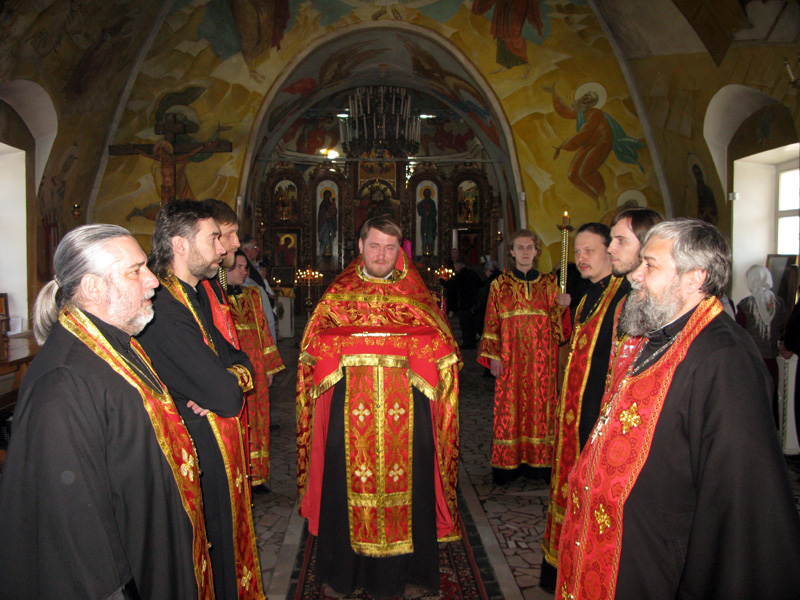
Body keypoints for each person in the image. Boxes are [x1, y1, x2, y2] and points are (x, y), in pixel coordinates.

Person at [557, 219, 800, 599]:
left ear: (693, 278)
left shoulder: (724, 358)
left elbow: (739, 500)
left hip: (660, 565)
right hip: (623, 549)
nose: (636, 275)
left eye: (650, 265)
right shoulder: (664, 334)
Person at [0, 224, 213, 599]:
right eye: (135, 271)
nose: (153, 281)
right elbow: (73, 531)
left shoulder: (117, 345)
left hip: (156, 542)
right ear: (92, 288)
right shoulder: (63, 382)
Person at [296, 216, 461, 599]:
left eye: (390, 247)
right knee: (342, 483)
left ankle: (408, 575)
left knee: (414, 484)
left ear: (399, 250)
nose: (382, 255)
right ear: (360, 247)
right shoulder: (338, 296)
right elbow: (312, 351)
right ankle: (343, 574)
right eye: (374, 246)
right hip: (347, 415)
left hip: (410, 415)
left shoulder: (416, 297)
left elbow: (444, 350)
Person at [137, 200, 264, 600]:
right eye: (212, 239)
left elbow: (239, 360)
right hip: (188, 456)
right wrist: (226, 381)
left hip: (209, 447)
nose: (222, 249)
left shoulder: (191, 294)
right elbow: (226, 394)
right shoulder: (163, 306)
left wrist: (228, 378)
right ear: (180, 244)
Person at [540, 223, 628, 591]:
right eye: (577, 251)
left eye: (589, 250)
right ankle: (562, 567)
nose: (580, 258)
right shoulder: (588, 294)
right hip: (573, 411)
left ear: (611, 252)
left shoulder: (624, 297)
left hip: (596, 413)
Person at [478, 228, 571, 484]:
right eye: (520, 247)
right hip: (510, 358)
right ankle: (508, 466)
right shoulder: (500, 285)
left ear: (537, 251)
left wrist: (564, 308)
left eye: (529, 247)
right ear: (511, 252)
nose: (525, 252)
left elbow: (559, 331)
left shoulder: (550, 284)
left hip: (543, 361)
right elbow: (491, 322)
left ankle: (540, 465)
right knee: (510, 408)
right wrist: (494, 356)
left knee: (541, 408)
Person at [226, 250, 284, 491]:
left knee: (258, 420)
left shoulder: (253, 294)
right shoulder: (216, 299)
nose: (244, 271)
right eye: (238, 267)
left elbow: (263, 329)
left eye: (245, 267)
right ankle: (239, 477)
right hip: (233, 369)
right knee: (239, 420)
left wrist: (269, 368)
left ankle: (257, 476)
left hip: (257, 367)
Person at [737, 264, 787, 425]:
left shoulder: (746, 305)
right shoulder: (778, 303)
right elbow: (782, 327)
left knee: (753, 400)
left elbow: (739, 332)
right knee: (770, 399)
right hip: (772, 361)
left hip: (752, 361)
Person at [241, 234, 279, 343]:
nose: (258, 249)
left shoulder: (252, 264)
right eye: (255, 247)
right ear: (245, 250)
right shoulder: (245, 265)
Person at [447, 258, 484, 348]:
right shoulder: (473, 274)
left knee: (465, 324)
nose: (455, 269)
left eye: (456, 266)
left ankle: (467, 342)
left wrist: (442, 281)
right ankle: (472, 341)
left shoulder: (460, 276)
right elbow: (481, 285)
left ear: (458, 266)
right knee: (471, 324)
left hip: (464, 304)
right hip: (473, 303)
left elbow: (451, 286)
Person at [416, 187, 437, 254]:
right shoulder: (421, 203)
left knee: (431, 237)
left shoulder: (432, 202)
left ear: (430, 194)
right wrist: (423, 209)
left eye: (428, 193)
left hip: (431, 222)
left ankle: (431, 251)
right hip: (424, 222)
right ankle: (424, 250)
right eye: (426, 193)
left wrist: (429, 210)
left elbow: (434, 213)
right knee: (424, 236)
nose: (427, 194)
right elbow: (420, 213)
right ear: (424, 194)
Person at [317, 189, 337, 255]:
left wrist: (333, 211)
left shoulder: (331, 204)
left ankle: (329, 252)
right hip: (324, 224)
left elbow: (334, 213)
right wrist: (328, 215)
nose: (328, 197)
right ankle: (323, 252)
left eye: (329, 195)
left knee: (330, 238)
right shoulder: (323, 204)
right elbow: (323, 214)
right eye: (327, 195)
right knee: (324, 238)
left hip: (330, 223)